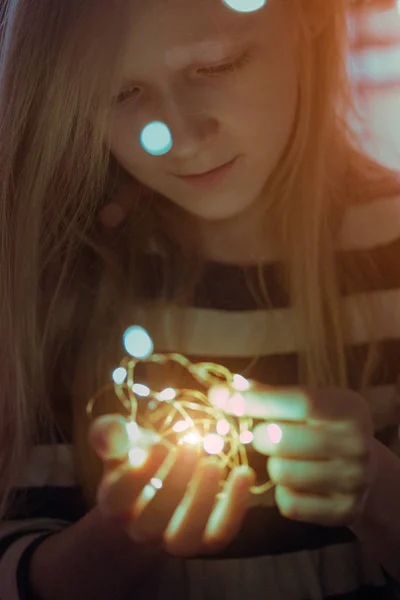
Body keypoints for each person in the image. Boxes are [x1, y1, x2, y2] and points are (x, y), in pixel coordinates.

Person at [0, 0, 400, 598]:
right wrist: (119, 539)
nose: (178, 139)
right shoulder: (58, 284)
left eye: (218, 65)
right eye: (120, 93)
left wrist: (377, 493)